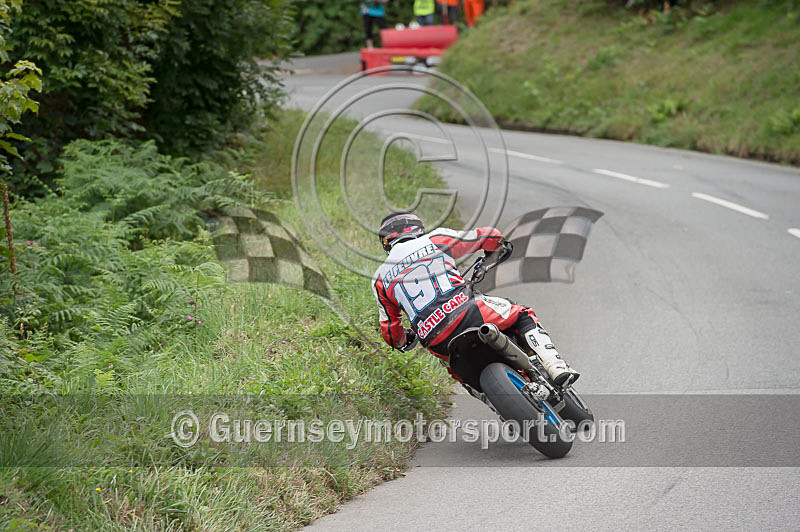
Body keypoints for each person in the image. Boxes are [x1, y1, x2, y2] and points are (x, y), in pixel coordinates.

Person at [371, 211, 580, 386]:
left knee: (462, 376)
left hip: (436, 340)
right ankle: (556, 366)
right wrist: (495, 250)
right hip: (470, 312)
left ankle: (501, 409)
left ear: (386, 241)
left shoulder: (380, 278)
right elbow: (490, 236)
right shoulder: (436, 239)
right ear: (417, 228)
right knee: (522, 314)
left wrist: (404, 339)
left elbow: (391, 332)